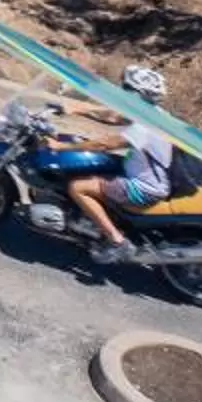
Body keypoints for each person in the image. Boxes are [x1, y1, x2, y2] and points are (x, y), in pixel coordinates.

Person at [53, 65, 178, 263]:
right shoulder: (153, 114)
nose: (122, 92)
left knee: (77, 187)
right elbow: (112, 115)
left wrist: (60, 146)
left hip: (144, 189)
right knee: (97, 166)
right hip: (145, 178)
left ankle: (117, 241)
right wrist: (76, 109)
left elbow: (105, 144)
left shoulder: (144, 126)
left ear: (138, 94)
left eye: (126, 88)